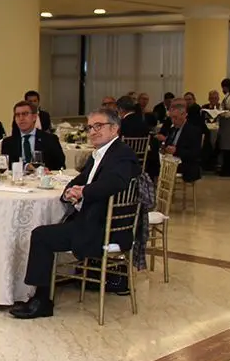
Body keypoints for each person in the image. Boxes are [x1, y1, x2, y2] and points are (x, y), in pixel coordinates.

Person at [12, 108, 140, 319]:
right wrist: (69, 191)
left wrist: (84, 192)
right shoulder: (100, 154)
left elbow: (115, 182)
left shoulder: (122, 154)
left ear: (114, 128)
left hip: (104, 229)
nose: (93, 131)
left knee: (41, 236)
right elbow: (80, 179)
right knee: (47, 231)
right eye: (90, 127)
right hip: (93, 222)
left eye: (99, 126)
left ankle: (41, 301)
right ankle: (40, 296)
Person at [0, 100, 66, 171]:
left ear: (34, 117)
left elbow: (60, 164)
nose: (21, 118)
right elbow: (8, 164)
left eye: (25, 114)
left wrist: (46, 170)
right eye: (17, 115)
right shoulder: (8, 142)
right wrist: (25, 166)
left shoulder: (50, 139)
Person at [162, 99, 203, 183]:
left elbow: (195, 153)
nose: (173, 121)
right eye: (171, 118)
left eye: (175, 118)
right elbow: (167, 144)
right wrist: (166, 148)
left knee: (161, 167)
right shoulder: (173, 129)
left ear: (184, 115)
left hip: (186, 163)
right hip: (172, 160)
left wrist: (176, 151)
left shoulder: (193, 131)